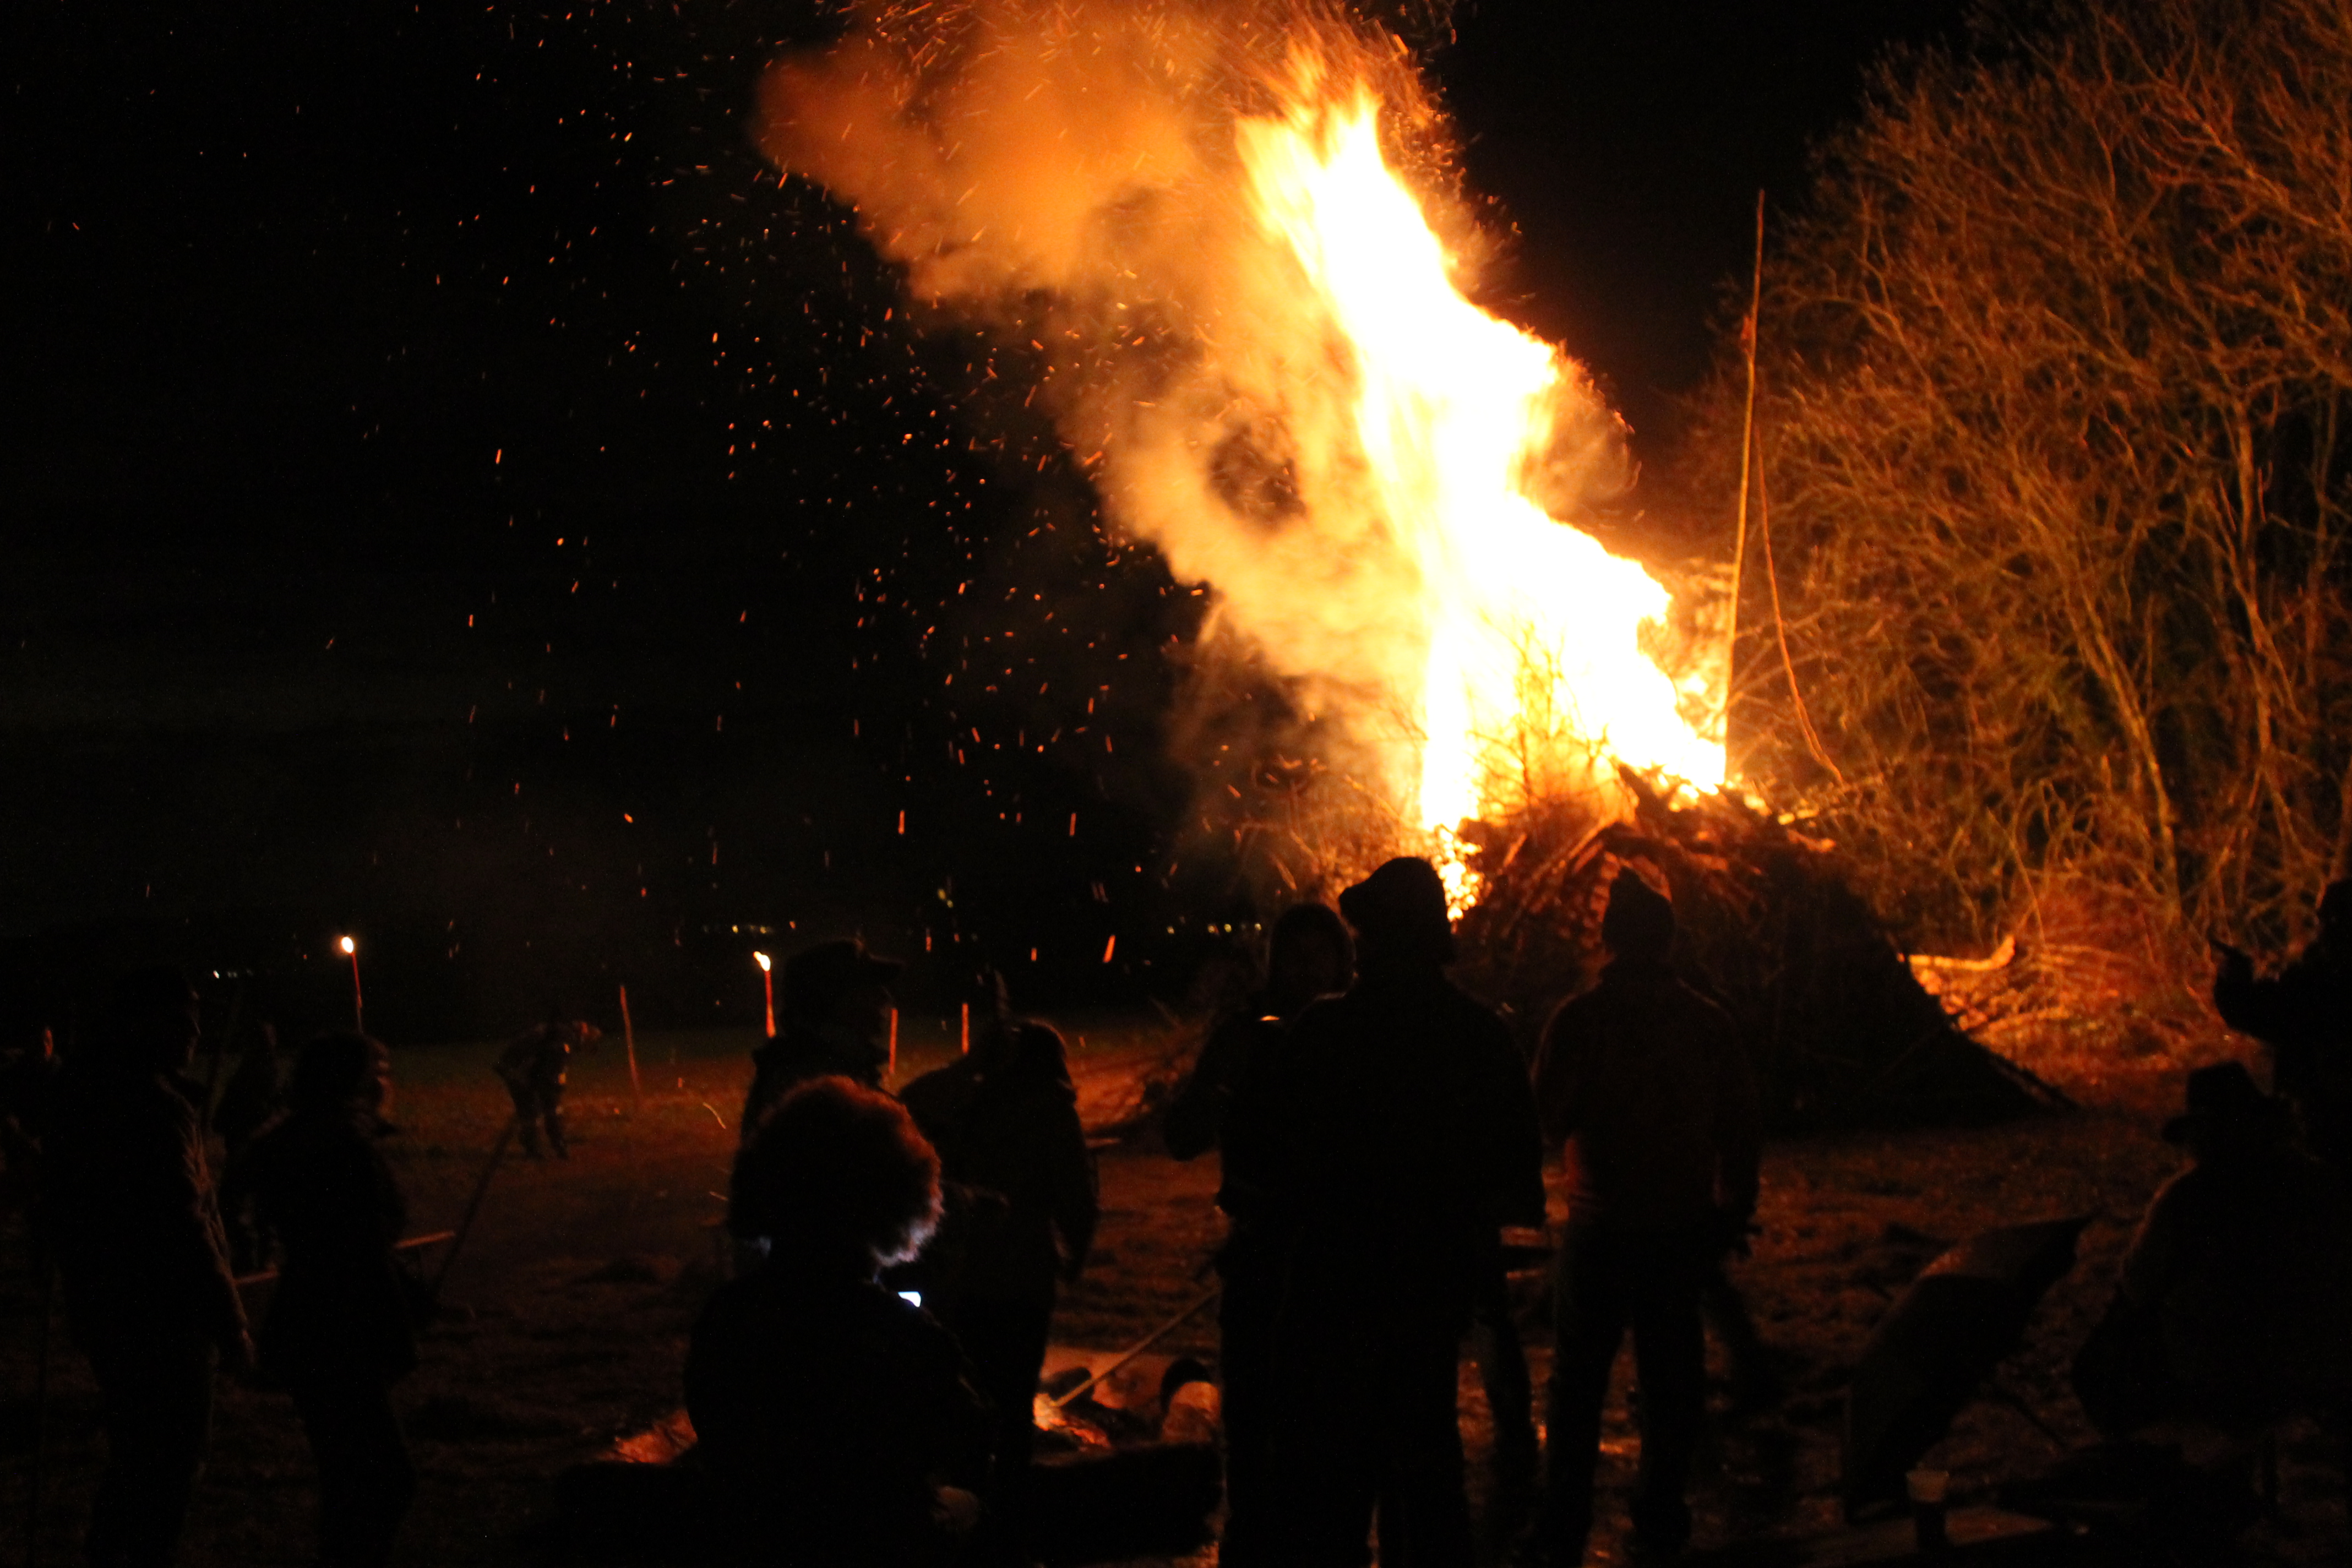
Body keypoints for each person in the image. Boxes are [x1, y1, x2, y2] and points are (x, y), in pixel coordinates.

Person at [1226, 856, 1546, 1568]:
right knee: (1428, 1488)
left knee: (1328, 1498)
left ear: (1370, 941)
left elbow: (1267, 1160)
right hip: (1427, 1298)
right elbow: (1517, 1175)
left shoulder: (1323, 1034)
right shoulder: (1479, 1036)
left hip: (1330, 1298)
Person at [1526, 868, 1762, 1566]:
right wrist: (1730, 1211)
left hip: (1601, 1233)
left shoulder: (1580, 1019)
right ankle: (1661, 1515)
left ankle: (1562, 1524)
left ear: (1607, 939)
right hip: (1677, 1235)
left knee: (1578, 1387)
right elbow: (1741, 1128)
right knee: (1671, 1383)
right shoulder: (1707, 1021)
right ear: (1670, 941)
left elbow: (1548, 1117)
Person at [692, 1076, 993, 1566]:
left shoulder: (727, 1315)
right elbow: (969, 1437)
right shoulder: (899, 1333)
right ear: (895, 1201)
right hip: (873, 1537)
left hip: (753, 1535)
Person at [36, 966, 249, 1568]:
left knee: (139, 1465)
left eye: (197, 1018)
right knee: (163, 1469)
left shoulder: (90, 1088)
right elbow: (182, 1223)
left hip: (109, 1309)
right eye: (181, 1019)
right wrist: (229, 1320)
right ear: (139, 1022)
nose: (194, 1031)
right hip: (161, 1318)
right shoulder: (147, 1104)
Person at [1167, 902, 1353, 1567]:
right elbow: (1182, 1136)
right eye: (1293, 957)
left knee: (1331, 1431)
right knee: (1252, 1420)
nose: (1305, 972)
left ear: (1341, 960)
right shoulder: (1247, 1034)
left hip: (1342, 1262)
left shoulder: (1360, 1033)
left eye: (1317, 957)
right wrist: (1223, 1081)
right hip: (1262, 1254)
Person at [2072, 1061, 2352, 1442]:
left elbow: (2138, 1283)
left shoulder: (2187, 1198)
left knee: (2123, 1339)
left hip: (2219, 1368)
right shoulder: (2318, 1183)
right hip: (2322, 1355)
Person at [241, 1033, 421, 1568]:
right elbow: (360, 1237)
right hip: (339, 1320)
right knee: (382, 1478)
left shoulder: (298, 1137)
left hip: (312, 1316)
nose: (386, 1079)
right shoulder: (340, 1143)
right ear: (355, 1079)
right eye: (379, 1068)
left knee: (351, 1473)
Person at [927, 1020, 1098, 1566]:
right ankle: (1010, 1526)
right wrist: (1072, 1252)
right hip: (1023, 1278)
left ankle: (973, 1515)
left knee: (972, 1400)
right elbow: (1078, 1190)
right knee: (1014, 1401)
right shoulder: (1052, 1110)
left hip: (971, 1277)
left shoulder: (977, 1106)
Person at [2213, 879, 2352, 1178]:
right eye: (2322, 918)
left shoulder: (2322, 982)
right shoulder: (2316, 975)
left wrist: (2233, 981)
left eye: (2332, 919)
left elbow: (2263, 1011)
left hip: (2322, 1121)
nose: (2324, 927)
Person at [738, 940, 900, 1141]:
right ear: (837, 1000)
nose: (885, 997)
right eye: (869, 988)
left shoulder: (825, 1065)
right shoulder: (818, 1086)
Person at [212, 1021, 283, 1272]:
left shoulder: (261, 1073)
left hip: (251, 1149)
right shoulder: (254, 1071)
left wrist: (244, 1138)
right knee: (249, 1208)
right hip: (249, 1148)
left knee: (238, 1207)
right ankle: (255, 1260)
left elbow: (255, 1112)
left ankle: (254, 1262)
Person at [494, 1012, 600, 1158]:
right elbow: (548, 1074)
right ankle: (533, 1148)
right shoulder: (562, 1043)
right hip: (517, 1070)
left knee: (543, 1109)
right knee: (532, 1111)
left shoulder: (562, 1038)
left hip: (522, 1070)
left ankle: (547, 1145)